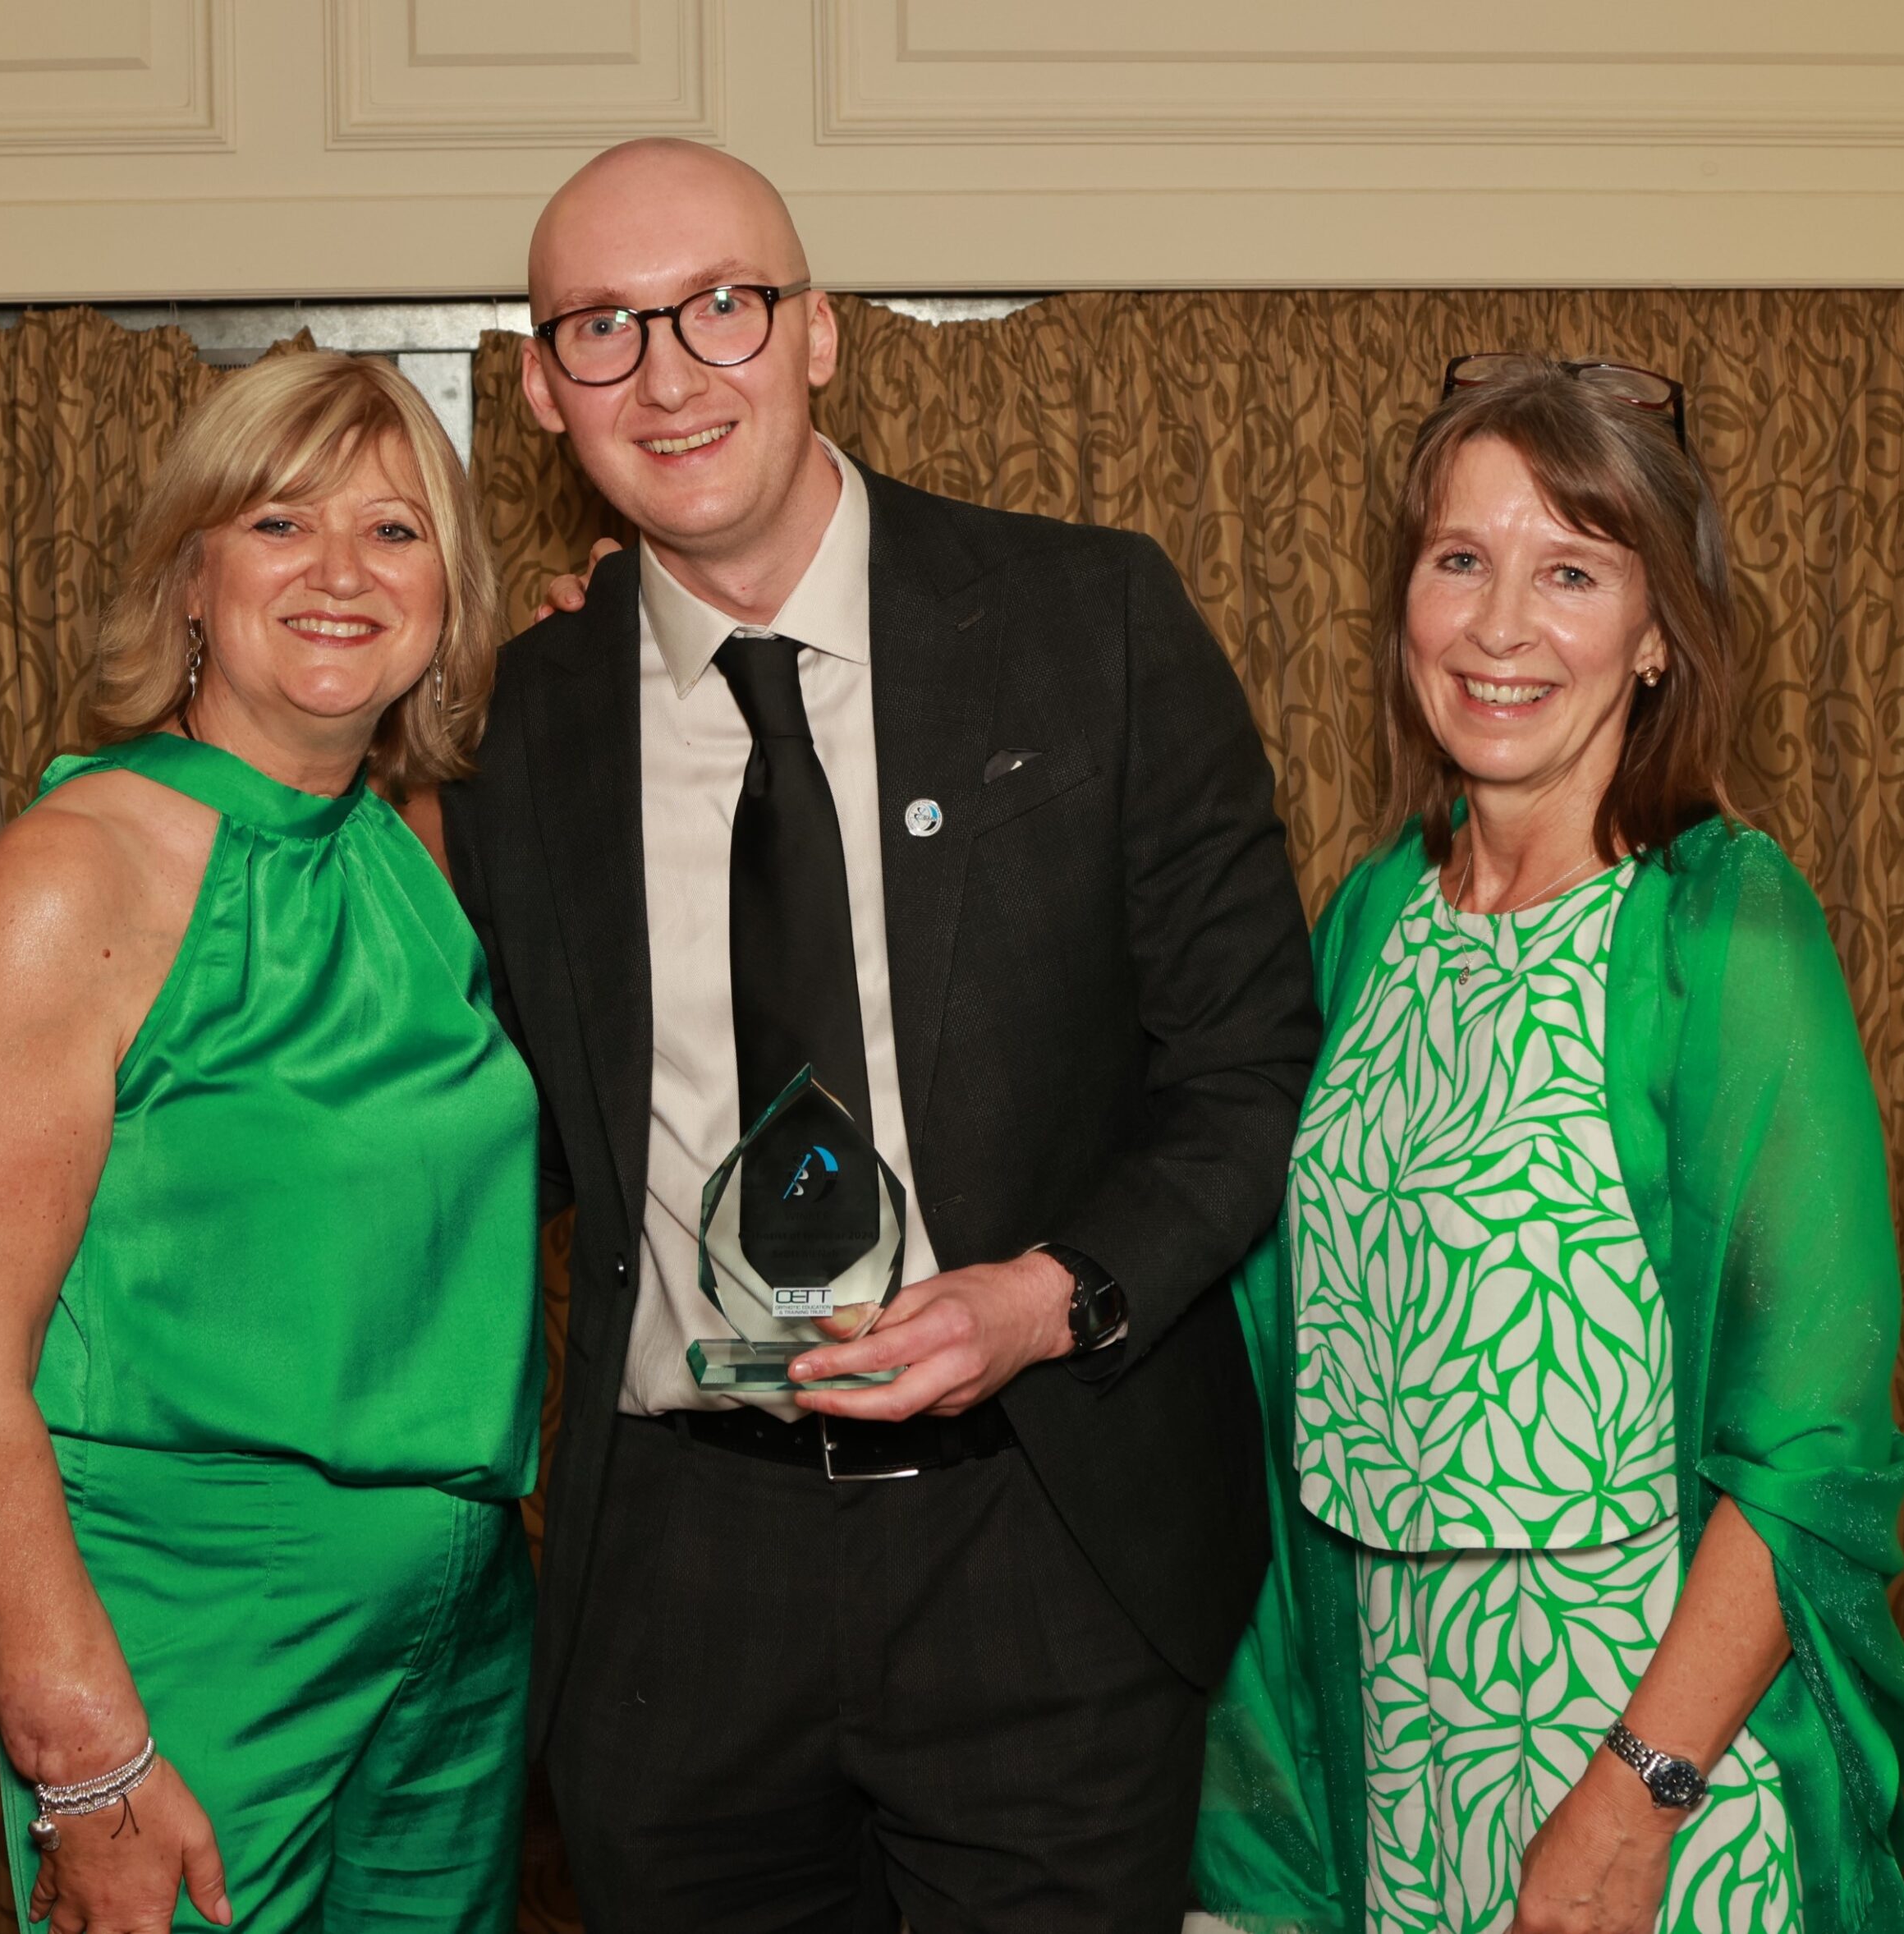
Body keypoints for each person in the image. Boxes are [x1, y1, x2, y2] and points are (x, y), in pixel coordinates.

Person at [436, 138, 1319, 1932]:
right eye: (599, 327)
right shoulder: (513, 719)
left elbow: (1246, 1062)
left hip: (1040, 1530)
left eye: (722, 308)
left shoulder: (1092, 623)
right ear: (539, 388)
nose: (668, 372)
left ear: (820, 333)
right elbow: (473, 1117)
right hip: (676, 1582)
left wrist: (1046, 1292)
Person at [1192, 355, 1904, 1934]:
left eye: (1573, 572)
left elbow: (1809, 1450)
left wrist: (1631, 1800)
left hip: (1656, 1777)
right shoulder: (1375, 915)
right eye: (1459, 559)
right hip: (1397, 1761)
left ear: (1658, 633)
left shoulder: (1722, 927)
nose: (1500, 625)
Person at [0, 351, 544, 1932]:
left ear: (447, 601)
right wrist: (84, 1760)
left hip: (463, 1623)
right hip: (194, 1620)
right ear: (191, 574)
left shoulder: (415, 847)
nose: (339, 575)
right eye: (278, 524)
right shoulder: (78, 877)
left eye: (395, 534)